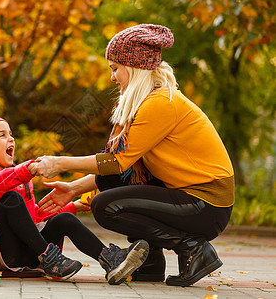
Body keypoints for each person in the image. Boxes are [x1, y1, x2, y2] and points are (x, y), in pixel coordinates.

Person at [31, 24, 234, 287]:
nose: (112, 77)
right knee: (115, 184)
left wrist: (59, 162)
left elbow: (116, 161)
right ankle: (150, 263)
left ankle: (194, 249)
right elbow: (118, 169)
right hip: (187, 197)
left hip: (206, 203)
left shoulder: (160, 103)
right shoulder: (148, 102)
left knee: (106, 206)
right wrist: (73, 188)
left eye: (115, 68)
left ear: (135, 67)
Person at [0, 117, 150, 284]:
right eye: (2, 135)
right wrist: (25, 170)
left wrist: (73, 207)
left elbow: (31, 221)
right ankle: (50, 259)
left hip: (30, 253)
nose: (11, 138)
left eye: (11, 134)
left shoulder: (18, 179)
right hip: (2, 254)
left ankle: (110, 259)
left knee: (64, 219)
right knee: (10, 197)